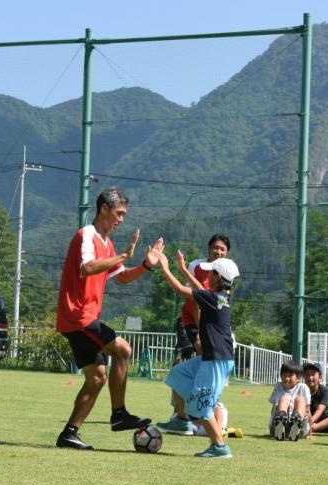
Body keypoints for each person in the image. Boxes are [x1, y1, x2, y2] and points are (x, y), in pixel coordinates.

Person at [55, 187, 164, 450]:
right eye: (119, 213)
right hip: (78, 316)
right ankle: (119, 414)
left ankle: (69, 433)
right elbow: (86, 268)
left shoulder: (108, 243)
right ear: (104, 208)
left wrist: (146, 265)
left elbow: (123, 277)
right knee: (123, 349)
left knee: (96, 378)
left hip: (84, 318)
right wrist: (123, 256)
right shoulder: (86, 235)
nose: (121, 219)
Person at [156, 251, 239, 458]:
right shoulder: (220, 297)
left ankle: (219, 447)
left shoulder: (214, 298)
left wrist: (165, 267)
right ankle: (183, 420)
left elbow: (179, 289)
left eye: (211, 273)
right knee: (178, 374)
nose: (207, 275)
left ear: (219, 277)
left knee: (202, 405)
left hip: (216, 360)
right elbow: (200, 289)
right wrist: (184, 269)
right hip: (213, 357)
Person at [176, 234, 231, 360]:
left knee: (211, 352)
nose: (218, 252)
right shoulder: (196, 266)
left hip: (212, 321)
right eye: (215, 248)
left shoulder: (227, 270)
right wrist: (200, 331)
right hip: (192, 318)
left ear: (227, 252)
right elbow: (194, 298)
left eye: (222, 249)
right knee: (201, 348)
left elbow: (222, 303)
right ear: (209, 248)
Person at [269, 360, 311, 441]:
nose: (287, 378)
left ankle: (296, 421)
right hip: (276, 428)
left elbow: (307, 410)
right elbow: (273, 410)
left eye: (290, 375)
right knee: (284, 399)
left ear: (298, 378)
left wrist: (310, 432)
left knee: (300, 399)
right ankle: (281, 422)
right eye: (284, 375)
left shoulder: (303, 387)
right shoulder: (279, 386)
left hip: (301, 429)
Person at [303, 362, 328, 434]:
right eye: (307, 375)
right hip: (306, 420)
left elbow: (320, 410)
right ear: (304, 376)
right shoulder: (301, 389)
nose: (310, 377)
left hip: (323, 421)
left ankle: (313, 428)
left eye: (313, 374)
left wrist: (310, 422)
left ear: (320, 376)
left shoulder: (325, 390)